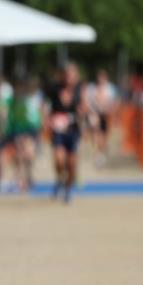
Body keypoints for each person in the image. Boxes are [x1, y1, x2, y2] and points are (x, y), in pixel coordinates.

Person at [45, 62, 86, 203]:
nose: (69, 77)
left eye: (72, 74)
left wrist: (82, 114)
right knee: (59, 159)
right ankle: (59, 179)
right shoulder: (54, 88)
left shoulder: (80, 89)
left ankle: (68, 190)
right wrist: (49, 120)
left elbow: (84, 108)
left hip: (73, 130)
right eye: (67, 74)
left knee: (72, 164)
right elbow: (47, 107)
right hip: (58, 131)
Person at [88, 69, 118, 167]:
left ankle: (102, 151)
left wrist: (112, 113)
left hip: (106, 115)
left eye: (103, 77)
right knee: (96, 135)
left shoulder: (110, 89)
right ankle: (98, 155)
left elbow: (114, 103)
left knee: (103, 137)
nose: (101, 79)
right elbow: (89, 101)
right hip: (96, 114)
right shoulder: (93, 88)